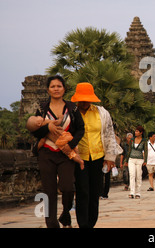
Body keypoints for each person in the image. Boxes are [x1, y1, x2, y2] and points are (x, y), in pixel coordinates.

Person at [31, 75, 85, 228]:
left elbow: (81, 128)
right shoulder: (42, 108)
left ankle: (65, 213)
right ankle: (52, 224)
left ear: (64, 89)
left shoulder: (72, 107)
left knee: (68, 187)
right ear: (48, 90)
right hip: (46, 153)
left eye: (59, 86)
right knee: (49, 192)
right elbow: (34, 130)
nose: (56, 89)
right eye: (53, 86)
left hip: (66, 154)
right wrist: (47, 128)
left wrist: (71, 144)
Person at [71, 82, 118, 228]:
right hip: (79, 158)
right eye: (82, 99)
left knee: (95, 192)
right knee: (82, 191)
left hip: (98, 157)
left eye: (87, 99)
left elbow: (110, 134)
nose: (84, 102)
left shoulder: (101, 113)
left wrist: (110, 158)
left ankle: (91, 223)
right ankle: (83, 224)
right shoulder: (71, 114)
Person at [125, 126, 148, 198]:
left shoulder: (144, 141)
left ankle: (138, 192)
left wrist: (145, 160)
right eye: (135, 131)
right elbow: (129, 150)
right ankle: (131, 192)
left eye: (137, 131)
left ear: (141, 133)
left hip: (139, 160)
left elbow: (146, 151)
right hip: (131, 159)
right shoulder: (132, 140)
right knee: (132, 175)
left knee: (138, 176)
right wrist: (126, 160)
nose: (136, 132)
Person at [101, 133, 122, 199]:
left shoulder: (113, 138)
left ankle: (105, 194)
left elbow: (118, 141)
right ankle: (100, 193)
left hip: (109, 158)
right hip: (101, 157)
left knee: (107, 177)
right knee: (100, 177)